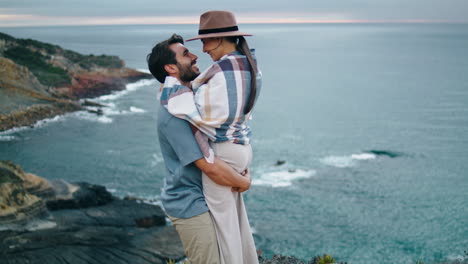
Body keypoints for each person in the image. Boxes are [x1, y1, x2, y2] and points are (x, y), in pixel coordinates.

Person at [160, 10, 261, 264]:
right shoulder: (245, 66)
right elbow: (209, 166)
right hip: (190, 203)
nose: (199, 52)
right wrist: (243, 182)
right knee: (235, 229)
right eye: (187, 54)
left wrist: (173, 91)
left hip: (203, 190)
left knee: (230, 232)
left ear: (218, 38)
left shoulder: (181, 105)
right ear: (171, 68)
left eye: (203, 42)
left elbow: (212, 165)